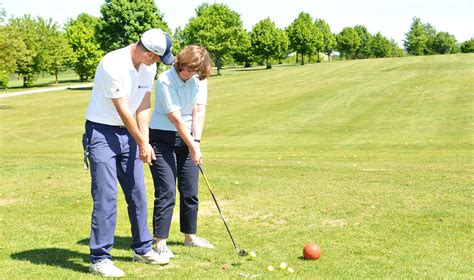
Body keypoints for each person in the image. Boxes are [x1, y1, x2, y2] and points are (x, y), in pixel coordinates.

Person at [82, 28, 174, 278]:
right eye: (158, 57)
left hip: (129, 133)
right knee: (106, 196)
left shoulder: (149, 67)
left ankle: (142, 249)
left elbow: (143, 104)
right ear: (150, 53)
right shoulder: (112, 64)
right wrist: (142, 142)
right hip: (102, 132)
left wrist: (144, 140)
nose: (159, 63)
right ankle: (99, 258)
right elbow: (123, 109)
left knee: (137, 192)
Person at [148, 45, 213, 259]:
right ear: (180, 63)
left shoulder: (197, 79)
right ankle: (160, 243)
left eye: (195, 72)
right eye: (188, 70)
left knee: (190, 190)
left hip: (187, 138)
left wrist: (196, 142)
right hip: (161, 138)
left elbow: (198, 110)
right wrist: (193, 146)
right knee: (166, 191)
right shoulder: (165, 80)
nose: (191, 75)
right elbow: (174, 117)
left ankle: (190, 237)